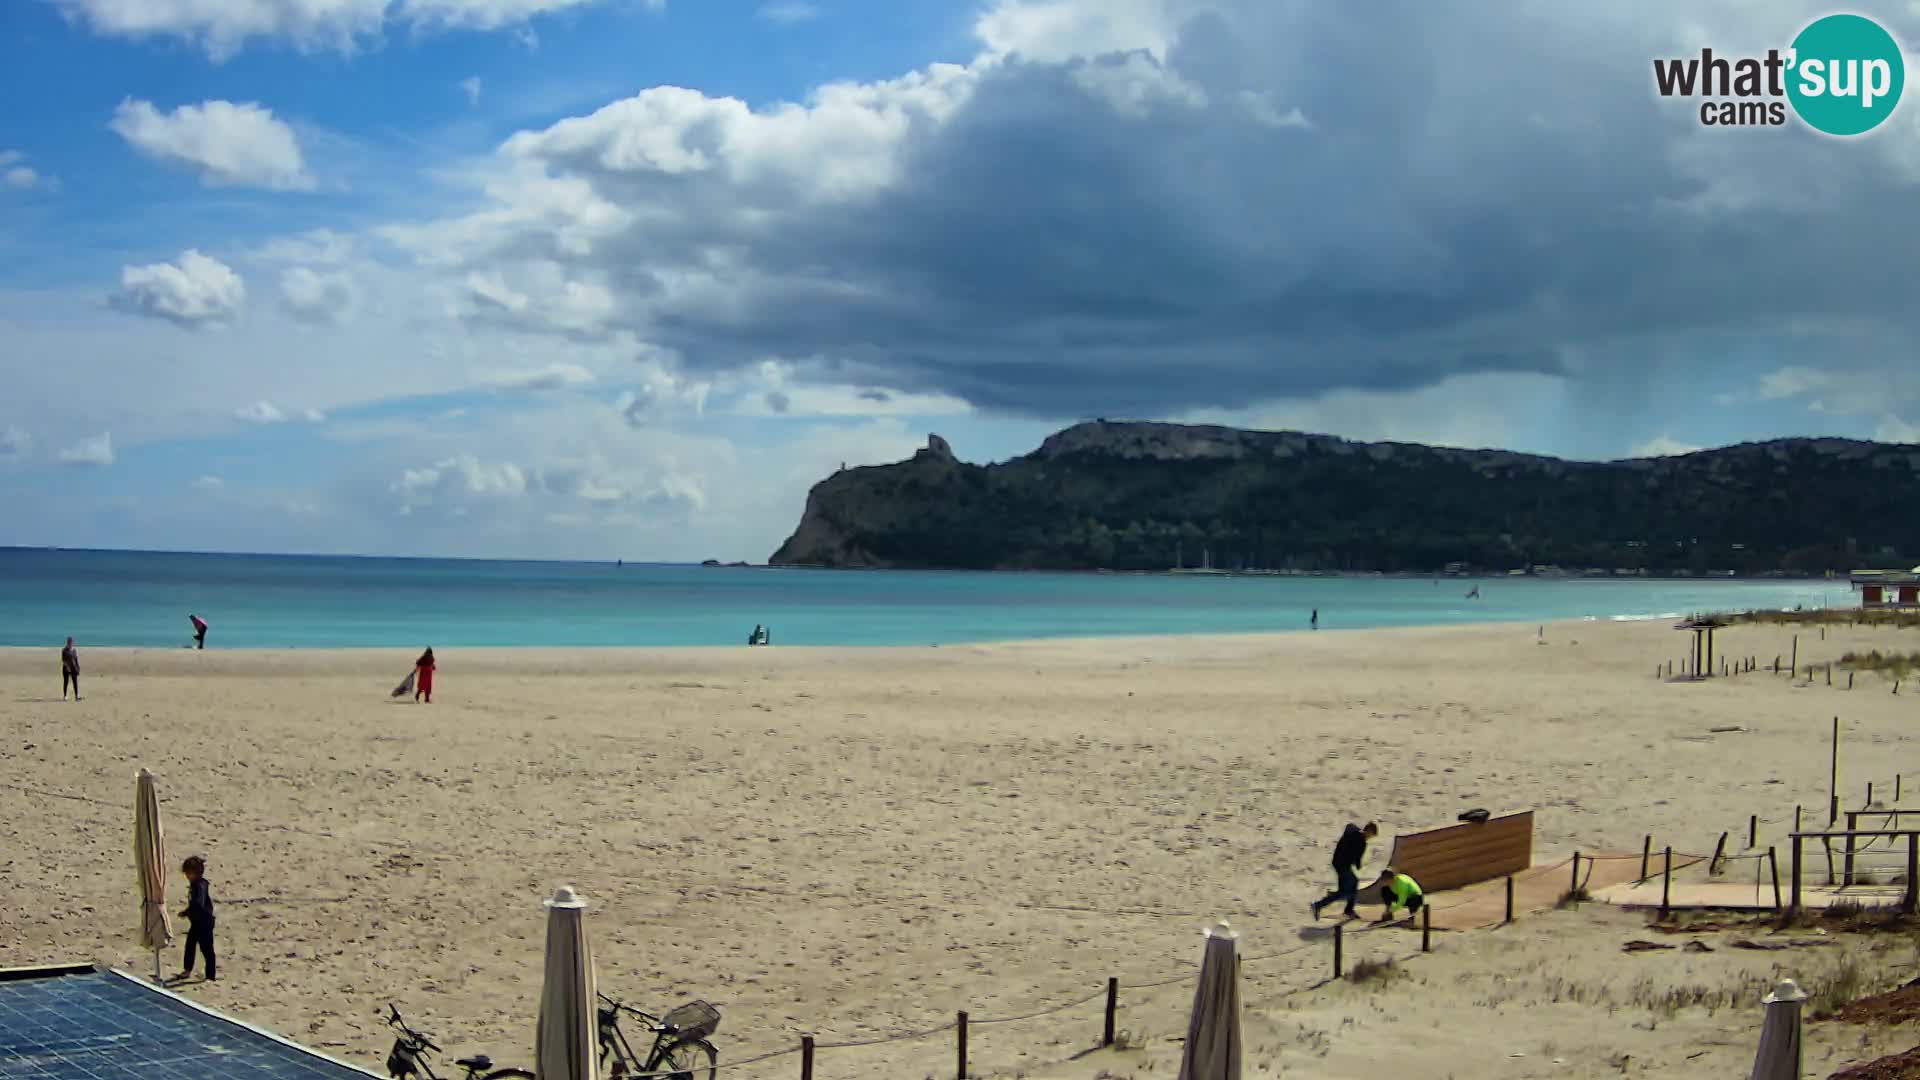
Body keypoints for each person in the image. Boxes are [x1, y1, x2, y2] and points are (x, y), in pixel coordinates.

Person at [1310, 821, 1377, 920]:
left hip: (1337, 862)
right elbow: (1357, 860)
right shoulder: (1361, 841)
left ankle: (1348, 910)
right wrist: (1359, 865)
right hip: (1343, 865)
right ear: (1369, 831)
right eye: (1371, 835)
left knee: (1352, 883)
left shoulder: (1353, 832)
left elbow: (1349, 827)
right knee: (1344, 892)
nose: (1370, 838)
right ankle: (1318, 905)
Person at [177, 855, 216, 981]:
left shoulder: (200, 886)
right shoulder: (196, 884)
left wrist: (188, 912)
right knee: (190, 945)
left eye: (189, 873)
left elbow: (198, 903)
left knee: (207, 949)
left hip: (204, 922)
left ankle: (210, 975)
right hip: (197, 922)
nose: (187, 876)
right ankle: (187, 970)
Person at [61, 637, 80, 701]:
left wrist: (78, 667)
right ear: (67, 642)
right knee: (66, 682)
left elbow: (76, 659)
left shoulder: (74, 650)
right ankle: (65, 696)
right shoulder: (64, 650)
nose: (70, 643)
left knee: (75, 682)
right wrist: (67, 667)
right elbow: (63, 660)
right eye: (69, 642)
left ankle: (76, 696)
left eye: (71, 642)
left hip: (73, 668)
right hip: (66, 669)